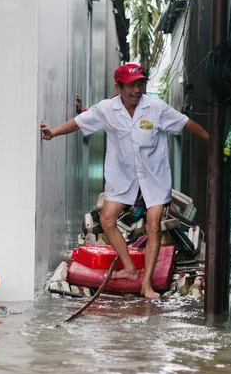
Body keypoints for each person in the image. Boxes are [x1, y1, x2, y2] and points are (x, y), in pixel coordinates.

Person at [40, 64, 208, 298]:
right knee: (107, 220)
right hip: (123, 175)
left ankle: (146, 284)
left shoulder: (156, 108)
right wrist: (53, 133)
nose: (137, 90)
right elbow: (79, 122)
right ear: (118, 87)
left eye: (140, 84)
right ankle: (129, 268)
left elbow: (187, 124)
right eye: (131, 86)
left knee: (153, 224)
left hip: (154, 175)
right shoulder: (107, 109)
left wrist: (213, 143)